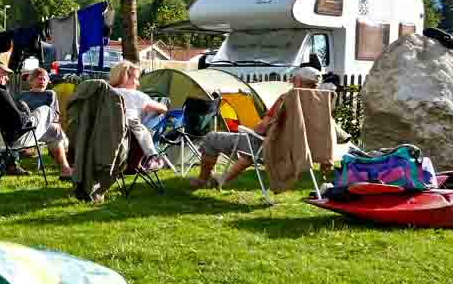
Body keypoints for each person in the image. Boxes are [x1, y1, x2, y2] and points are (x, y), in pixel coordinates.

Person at [192, 65, 322, 191]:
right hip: (296, 152)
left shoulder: (286, 99)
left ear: (298, 81)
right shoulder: (320, 105)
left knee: (211, 138)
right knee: (251, 148)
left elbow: (263, 127)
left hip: (268, 148)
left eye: (293, 80)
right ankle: (221, 178)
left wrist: (248, 130)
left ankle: (204, 180)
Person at [0, 57, 72, 178]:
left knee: (54, 130)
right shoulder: (0, 92)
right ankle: (66, 168)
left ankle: (65, 168)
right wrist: (26, 113)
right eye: (4, 74)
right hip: (13, 140)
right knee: (45, 110)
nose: (7, 78)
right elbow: (19, 122)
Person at [106, 61, 169, 171]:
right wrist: (146, 110)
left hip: (106, 143)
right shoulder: (136, 95)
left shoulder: (104, 93)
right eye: (135, 78)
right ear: (124, 78)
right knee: (159, 116)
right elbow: (164, 108)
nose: (138, 83)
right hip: (131, 146)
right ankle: (152, 157)